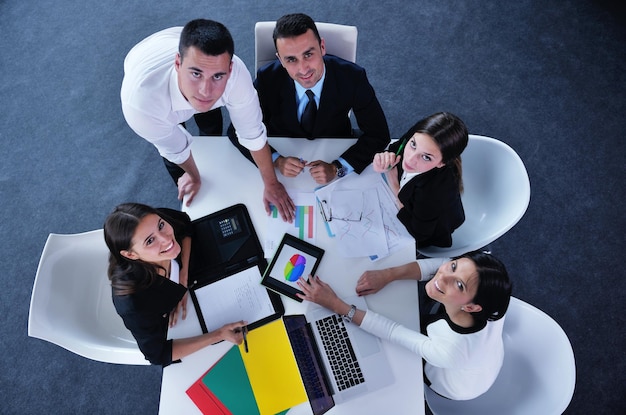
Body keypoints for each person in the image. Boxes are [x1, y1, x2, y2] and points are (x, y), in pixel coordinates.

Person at [121, 19, 294, 221]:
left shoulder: (235, 75)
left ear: (229, 70)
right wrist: (194, 177)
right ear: (178, 63)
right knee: (174, 150)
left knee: (210, 122)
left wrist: (271, 183)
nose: (206, 90)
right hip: (145, 62)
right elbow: (175, 148)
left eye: (218, 76)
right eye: (196, 74)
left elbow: (252, 133)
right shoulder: (141, 106)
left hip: (176, 42)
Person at [297, 251, 512, 401]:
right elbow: (442, 264)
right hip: (483, 354)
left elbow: (392, 331)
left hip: (455, 380)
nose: (443, 275)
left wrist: (335, 304)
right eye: (454, 267)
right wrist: (388, 275)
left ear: (473, 307)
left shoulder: (449, 352)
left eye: (459, 284)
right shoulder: (489, 288)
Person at [228, 13, 390, 185]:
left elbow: (378, 134)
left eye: (308, 54)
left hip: (334, 147)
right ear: (280, 60)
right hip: (283, 149)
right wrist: (275, 159)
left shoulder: (353, 77)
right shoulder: (268, 78)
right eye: (291, 59)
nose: (303, 69)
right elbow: (237, 130)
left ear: (322, 47)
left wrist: (338, 167)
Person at [104, 203, 246, 366]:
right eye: (150, 241)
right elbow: (158, 354)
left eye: (161, 225)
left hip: (194, 275)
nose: (166, 239)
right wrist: (219, 334)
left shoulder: (154, 221)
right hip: (180, 323)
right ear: (131, 254)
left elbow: (184, 224)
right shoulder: (134, 304)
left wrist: (183, 277)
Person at [373, 112, 468, 248]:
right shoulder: (420, 136)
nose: (410, 159)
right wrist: (384, 159)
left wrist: (394, 185)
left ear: (441, 163)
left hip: (429, 229)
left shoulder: (433, 193)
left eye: (426, 157)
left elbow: (419, 234)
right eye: (413, 145)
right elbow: (396, 148)